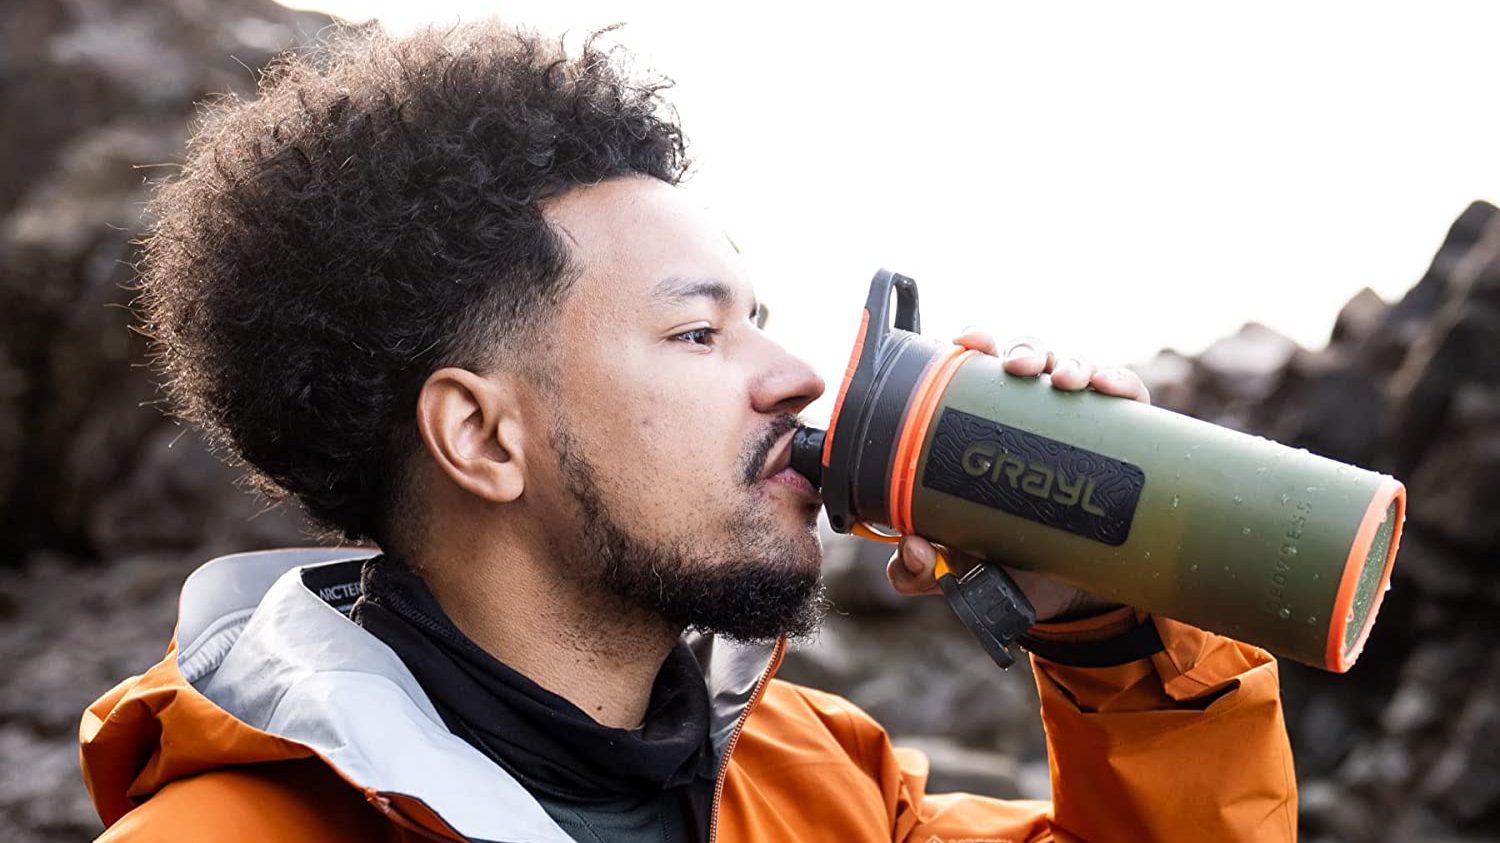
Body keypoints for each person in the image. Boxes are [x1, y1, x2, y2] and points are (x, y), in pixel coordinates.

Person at [79, 21, 1296, 843]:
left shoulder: (828, 783)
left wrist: (1105, 636)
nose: (798, 377)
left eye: (756, 317)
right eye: (698, 335)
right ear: (482, 437)